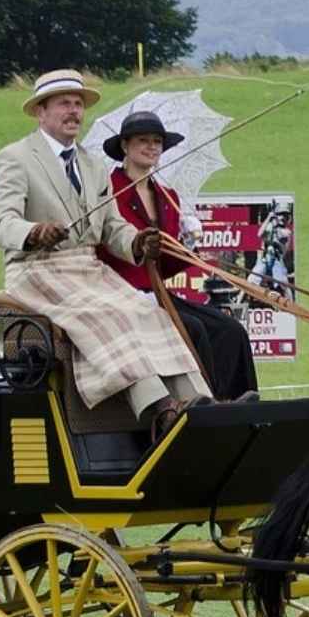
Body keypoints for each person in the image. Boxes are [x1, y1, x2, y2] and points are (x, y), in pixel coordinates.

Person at [0, 69, 211, 441]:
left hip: (88, 269)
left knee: (148, 310)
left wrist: (138, 243)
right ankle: (161, 408)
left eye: (78, 104)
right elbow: (1, 223)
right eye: (64, 103)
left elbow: (112, 227)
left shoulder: (92, 165)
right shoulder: (16, 157)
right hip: (37, 272)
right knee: (109, 314)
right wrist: (34, 232)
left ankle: (199, 400)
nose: (74, 111)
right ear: (40, 111)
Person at [96, 110, 258, 401]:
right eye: (143, 140)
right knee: (193, 328)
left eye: (157, 141)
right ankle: (207, 403)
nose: (152, 147)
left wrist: (188, 245)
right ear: (125, 146)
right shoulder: (107, 192)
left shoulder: (168, 196)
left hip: (159, 294)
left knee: (230, 329)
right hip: (123, 296)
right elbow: (105, 249)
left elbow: (165, 267)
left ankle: (239, 403)